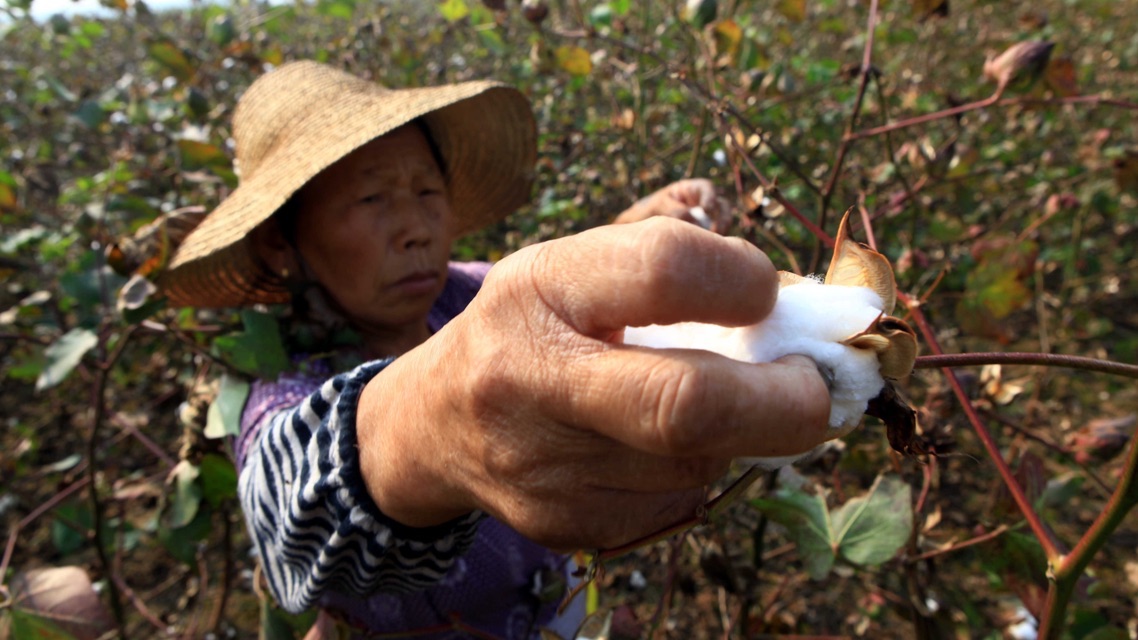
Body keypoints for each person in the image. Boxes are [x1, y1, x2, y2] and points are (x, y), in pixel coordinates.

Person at [159, 61, 832, 638]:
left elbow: (537, 308)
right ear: (283, 242)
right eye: (370, 199)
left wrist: (638, 230)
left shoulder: (462, 292)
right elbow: (286, 512)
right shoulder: (280, 386)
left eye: (427, 191)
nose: (415, 228)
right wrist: (432, 427)